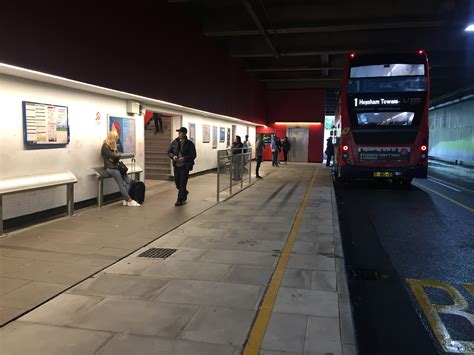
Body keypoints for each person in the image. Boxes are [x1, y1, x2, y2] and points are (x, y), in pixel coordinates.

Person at [101, 131, 141, 207]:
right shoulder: (105, 146)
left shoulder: (112, 146)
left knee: (129, 181)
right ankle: (129, 200)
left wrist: (116, 154)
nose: (117, 140)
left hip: (117, 167)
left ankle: (126, 199)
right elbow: (114, 155)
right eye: (116, 139)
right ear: (112, 138)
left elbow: (116, 155)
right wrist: (117, 154)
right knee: (121, 184)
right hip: (111, 168)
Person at [167, 127, 197, 206]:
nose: (179, 134)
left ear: (184, 134)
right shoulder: (174, 142)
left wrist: (184, 158)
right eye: (179, 133)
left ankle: (179, 199)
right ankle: (184, 192)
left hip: (185, 166)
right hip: (176, 165)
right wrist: (173, 156)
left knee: (182, 183)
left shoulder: (190, 144)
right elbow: (169, 151)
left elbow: (193, 155)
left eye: (180, 133)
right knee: (177, 183)